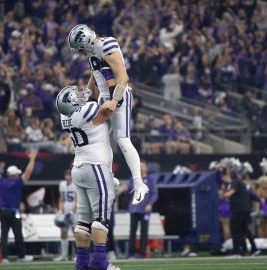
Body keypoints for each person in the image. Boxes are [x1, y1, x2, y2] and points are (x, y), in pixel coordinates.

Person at [68, 25, 149, 205]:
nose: (80, 53)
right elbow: (95, 74)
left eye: (80, 48)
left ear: (88, 40)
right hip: (104, 98)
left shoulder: (106, 46)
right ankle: (109, 176)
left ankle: (139, 183)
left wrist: (114, 100)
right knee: (99, 137)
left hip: (119, 96)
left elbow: (123, 76)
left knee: (122, 138)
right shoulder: (93, 52)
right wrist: (87, 96)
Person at [55, 85, 121, 270]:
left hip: (79, 167)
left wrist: (93, 73)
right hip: (96, 166)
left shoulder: (65, 116)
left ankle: (82, 262)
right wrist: (119, 93)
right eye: (75, 95)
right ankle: (100, 261)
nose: (80, 93)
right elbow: (109, 109)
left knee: (84, 219)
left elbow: (88, 92)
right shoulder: (86, 110)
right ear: (73, 101)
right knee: (101, 217)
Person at [0, 149, 38, 263]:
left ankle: (4, 258)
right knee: (18, 234)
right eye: (17, 174)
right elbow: (28, 172)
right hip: (14, 212)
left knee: (4, 235)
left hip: (2, 211)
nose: (19, 175)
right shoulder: (17, 182)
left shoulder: (2, 182)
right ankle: (21, 256)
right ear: (14, 175)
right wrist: (32, 158)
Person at [121, 160, 158, 259]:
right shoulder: (132, 179)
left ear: (146, 168)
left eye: (142, 166)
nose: (141, 168)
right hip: (134, 209)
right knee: (132, 232)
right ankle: (131, 253)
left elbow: (154, 193)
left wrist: (150, 204)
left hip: (145, 210)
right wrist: (123, 188)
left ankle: (143, 254)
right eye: (139, 166)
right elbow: (127, 190)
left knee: (144, 232)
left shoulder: (150, 180)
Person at [223, 164, 259, 256]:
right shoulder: (241, 182)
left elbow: (231, 192)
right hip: (245, 209)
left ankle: (236, 251)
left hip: (238, 210)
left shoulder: (234, 182)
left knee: (235, 230)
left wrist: (224, 194)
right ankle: (251, 249)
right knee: (244, 230)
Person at [53, 169, 77, 261]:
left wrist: (72, 211)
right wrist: (60, 211)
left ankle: (79, 255)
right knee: (63, 232)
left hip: (74, 211)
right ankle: (64, 255)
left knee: (76, 232)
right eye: (66, 175)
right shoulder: (62, 184)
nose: (67, 177)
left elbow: (77, 200)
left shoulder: (76, 184)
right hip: (65, 210)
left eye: (69, 175)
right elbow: (61, 199)